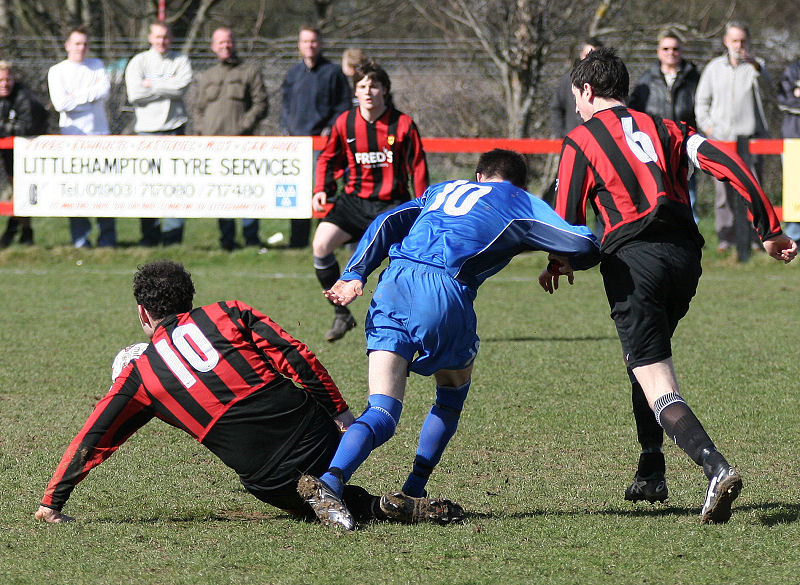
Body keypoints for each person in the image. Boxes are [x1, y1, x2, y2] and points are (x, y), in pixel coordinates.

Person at [541, 47, 796, 524]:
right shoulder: (670, 128)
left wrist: (558, 258)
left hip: (634, 263)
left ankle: (715, 467)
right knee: (643, 358)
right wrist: (770, 229)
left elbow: (568, 221)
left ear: (587, 90)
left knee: (655, 377)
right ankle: (652, 465)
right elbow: (731, 164)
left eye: (576, 96)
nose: (576, 105)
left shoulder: (580, 139)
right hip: (685, 258)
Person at [296, 149, 601, 530]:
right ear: (518, 184)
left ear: (477, 177)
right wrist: (562, 260)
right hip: (444, 293)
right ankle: (413, 490)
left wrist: (356, 271)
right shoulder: (519, 200)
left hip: (393, 282)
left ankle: (329, 482)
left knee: (382, 412)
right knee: (451, 394)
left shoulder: (442, 190)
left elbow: (389, 220)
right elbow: (584, 244)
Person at [34, 260, 463, 528]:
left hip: (267, 479)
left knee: (291, 488)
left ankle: (367, 506)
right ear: (190, 299)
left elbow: (93, 438)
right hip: (315, 436)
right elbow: (297, 357)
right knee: (342, 436)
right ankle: (364, 492)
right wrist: (338, 412)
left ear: (144, 313)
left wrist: (52, 502)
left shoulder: (140, 376)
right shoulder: (228, 312)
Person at [311, 61, 429, 343]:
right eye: (362, 86)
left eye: (374, 85)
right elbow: (328, 157)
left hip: (391, 205)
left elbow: (418, 167)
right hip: (353, 202)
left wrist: (425, 204)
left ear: (385, 90)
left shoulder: (402, 124)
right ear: (356, 91)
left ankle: (412, 322)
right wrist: (321, 188)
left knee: (404, 264)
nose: (368, 91)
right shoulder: (345, 122)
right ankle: (341, 314)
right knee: (320, 244)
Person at [695, 21, 770, 253]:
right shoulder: (713, 68)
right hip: (721, 141)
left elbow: (769, 93)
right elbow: (701, 102)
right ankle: (726, 239)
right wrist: (708, 128)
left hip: (751, 141)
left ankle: (757, 239)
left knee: (754, 191)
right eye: (734, 40)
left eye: (743, 41)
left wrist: (756, 67)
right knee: (723, 194)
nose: (739, 45)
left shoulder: (756, 67)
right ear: (726, 41)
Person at [194, 26, 269, 251]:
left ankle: (251, 239)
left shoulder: (249, 72)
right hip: (214, 147)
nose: (225, 46)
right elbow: (197, 108)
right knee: (222, 194)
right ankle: (226, 240)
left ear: (234, 43)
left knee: (247, 192)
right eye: (220, 43)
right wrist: (202, 131)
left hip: (243, 145)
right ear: (213, 46)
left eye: (229, 41)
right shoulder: (207, 76)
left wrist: (242, 127)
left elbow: (261, 104)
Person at [280, 25, 352, 249]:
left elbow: (343, 106)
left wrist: (330, 128)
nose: (309, 46)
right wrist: (286, 127)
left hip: (324, 146)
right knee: (298, 194)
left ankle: (326, 241)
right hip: (297, 145)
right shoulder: (293, 73)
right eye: (305, 41)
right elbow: (284, 105)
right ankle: (298, 243)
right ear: (299, 45)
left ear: (320, 43)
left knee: (323, 192)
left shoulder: (333, 72)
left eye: (313, 41)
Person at [48, 26, 116, 248]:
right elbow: (60, 104)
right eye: (77, 43)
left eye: (85, 44)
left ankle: (107, 239)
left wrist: (75, 98)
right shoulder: (57, 71)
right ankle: (80, 239)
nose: (81, 48)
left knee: (104, 191)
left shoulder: (96, 66)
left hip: (100, 138)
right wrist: (89, 97)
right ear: (67, 45)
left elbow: (103, 92)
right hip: (72, 139)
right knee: (76, 190)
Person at [125, 21, 192, 246]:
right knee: (148, 189)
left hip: (175, 131)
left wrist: (151, 85)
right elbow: (135, 94)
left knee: (176, 187)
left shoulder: (180, 60)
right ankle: (150, 237)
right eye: (157, 37)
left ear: (171, 38)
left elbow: (181, 88)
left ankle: (173, 239)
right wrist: (166, 85)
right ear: (150, 38)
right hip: (146, 133)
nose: (162, 41)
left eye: (166, 37)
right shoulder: (139, 62)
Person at [628, 29, 701, 222]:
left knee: (688, 191)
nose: (671, 52)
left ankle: (690, 232)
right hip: (654, 145)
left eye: (675, 48)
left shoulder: (694, 78)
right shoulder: (646, 80)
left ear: (682, 50)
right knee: (656, 191)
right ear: (658, 51)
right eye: (666, 48)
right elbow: (634, 111)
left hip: (686, 144)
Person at [544, 38, 603, 208]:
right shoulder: (567, 79)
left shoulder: (607, 83)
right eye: (588, 54)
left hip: (599, 145)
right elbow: (556, 108)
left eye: (596, 55)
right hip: (573, 142)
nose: (591, 58)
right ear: (580, 55)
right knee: (567, 193)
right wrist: (561, 134)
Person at [0, 60, 46, 247]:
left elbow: (27, 126)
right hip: (6, 150)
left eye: (8, 79)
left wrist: (4, 128)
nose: (5, 84)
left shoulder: (24, 97)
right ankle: (21, 231)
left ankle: (19, 230)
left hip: (23, 152)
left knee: (21, 191)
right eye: (1, 80)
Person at [776, 56, 800, 241]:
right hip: (794, 136)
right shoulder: (792, 70)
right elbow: (784, 100)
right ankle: (794, 237)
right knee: (794, 189)